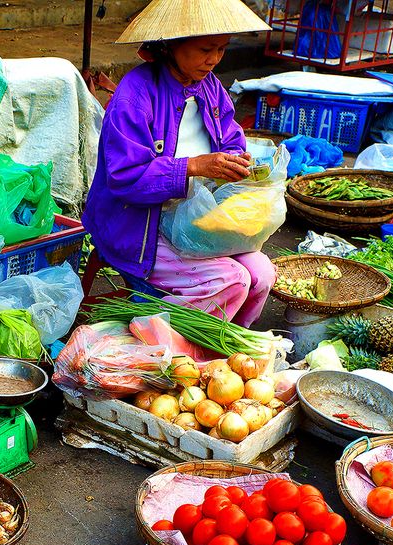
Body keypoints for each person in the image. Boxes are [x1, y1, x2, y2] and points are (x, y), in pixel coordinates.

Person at [82, 0, 275, 327]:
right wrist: (193, 167)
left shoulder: (211, 87)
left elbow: (231, 137)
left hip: (195, 219)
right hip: (138, 224)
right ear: (171, 45)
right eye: (205, 49)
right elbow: (126, 178)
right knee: (232, 280)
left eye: (222, 50)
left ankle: (227, 356)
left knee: (261, 275)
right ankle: (167, 346)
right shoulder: (135, 95)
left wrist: (236, 163)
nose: (214, 60)